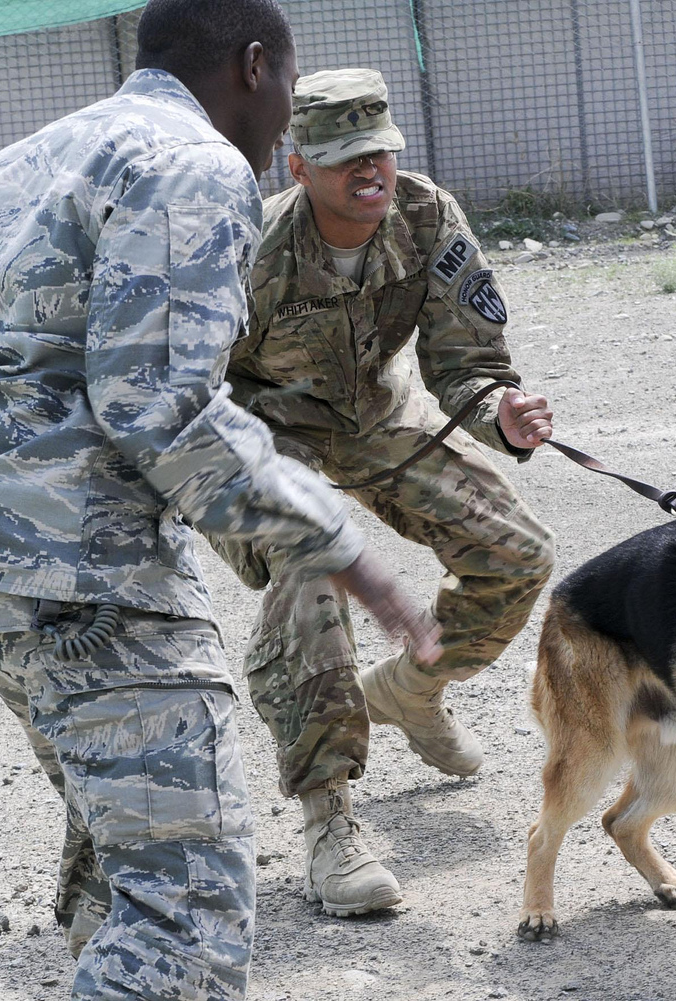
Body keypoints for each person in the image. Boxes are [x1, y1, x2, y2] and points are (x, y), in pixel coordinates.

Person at [0, 8, 439, 1000]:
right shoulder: (194, 165)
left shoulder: (19, 162)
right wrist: (335, 539)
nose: (284, 126)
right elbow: (159, 404)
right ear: (255, 64)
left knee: (122, 844)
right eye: (286, 90)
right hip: (93, 587)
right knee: (183, 921)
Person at [215, 67, 556, 918]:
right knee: (309, 564)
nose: (370, 173)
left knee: (519, 554)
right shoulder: (247, 254)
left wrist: (500, 413)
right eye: (343, 160)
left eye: (380, 154)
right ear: (297, 168)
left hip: (373, 413)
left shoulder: (428, 215)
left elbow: (469, 364)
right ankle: (329, 815)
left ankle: (408, 688)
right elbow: (192, 389)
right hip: (266, 434)